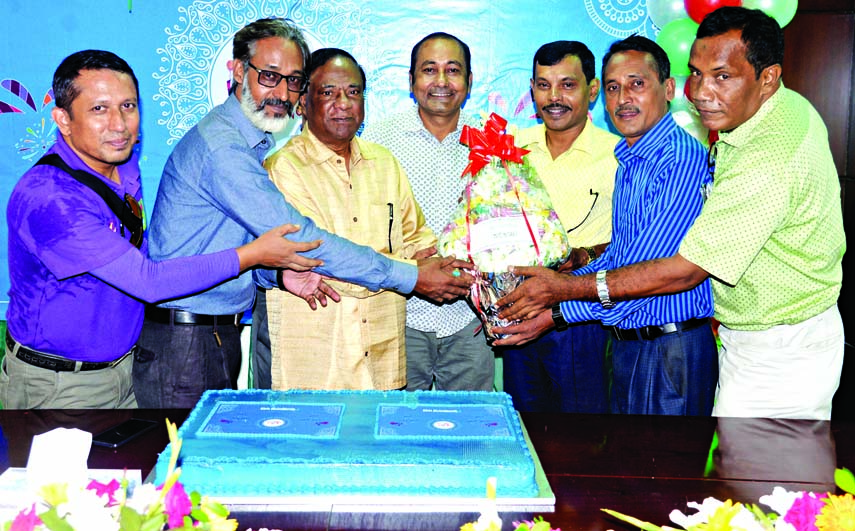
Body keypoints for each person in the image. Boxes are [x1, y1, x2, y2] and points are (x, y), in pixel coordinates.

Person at [496, 7, 845, 420]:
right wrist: (583, 259)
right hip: (674, 341)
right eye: (698, 74)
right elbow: (632, 252)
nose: (701, 92)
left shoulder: (691, 158)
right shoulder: (636, 155)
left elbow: (678, 271)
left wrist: (558, 305)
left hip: (746, 347)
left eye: (722, 76)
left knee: (741, 474)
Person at [136, 19, 472, 407]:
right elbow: (306, 244)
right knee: (185, 463)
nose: (282, 92)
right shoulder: (239, 154)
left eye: (292, 80)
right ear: (239, 71)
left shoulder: (372, 161)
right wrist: (410, 276)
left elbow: (264, 251)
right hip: (196, 344)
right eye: (270, 76)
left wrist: (277, 274)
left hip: (220, 338)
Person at [1, 50, 319, 409]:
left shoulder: (122, 167)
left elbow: (153, 253)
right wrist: (252, 255)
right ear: (63, 119)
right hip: (61, 384)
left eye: (128, 106)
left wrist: (271, 274)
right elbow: (148, 281)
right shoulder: (51, 198)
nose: (119, 125)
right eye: (99, 110)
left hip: (129, 371)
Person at [496, 36, 718, 416]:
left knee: (662, 470)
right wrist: (544, 293)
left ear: (667, 88)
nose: (622, 99)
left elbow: (650, 274)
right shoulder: (632, 157)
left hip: (669, 348)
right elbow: (621, 256)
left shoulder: (679, 157)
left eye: (637, 84)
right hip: (630, 343)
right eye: (614, 87)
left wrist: (555, 308)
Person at [264, 49, 435, 389]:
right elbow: (314, 263)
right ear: (302, 102)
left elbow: (417, 239)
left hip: (383, 358)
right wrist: (411, 275)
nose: (343, 103)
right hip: (315, 365)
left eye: (354, 92)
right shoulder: (283, 168)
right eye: (328, 92)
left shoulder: (385, 163)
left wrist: (461, 267)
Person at [361, 32, 494, 392]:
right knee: (396, 432)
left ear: (469, 81)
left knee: (471, 436)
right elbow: (360, 227)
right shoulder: (376, 142)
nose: (441, 81)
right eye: (429, 70)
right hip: (397, 316)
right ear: (411, 81)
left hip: (471, 320)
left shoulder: (492, 141)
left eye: (453, 70)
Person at [496, 41, 619, 413]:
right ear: (532, 90)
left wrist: (583, 256)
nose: (554, 97)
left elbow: (633, 245)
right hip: (519, 309)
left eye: (567, 85)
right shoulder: (511, 148)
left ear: (592, 90)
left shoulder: (618, 155)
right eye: (543, 85)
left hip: (582, 319)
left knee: (583, 436)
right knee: (524, 429)